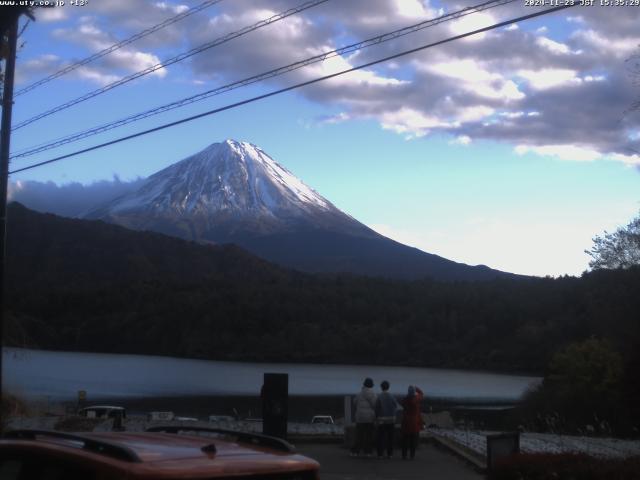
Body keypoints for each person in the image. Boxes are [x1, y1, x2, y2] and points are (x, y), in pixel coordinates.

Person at [351, 377, 377, 457]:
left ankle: (355, 452)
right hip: (369, 418)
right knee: (369, 436)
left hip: (360, 418)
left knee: (359, 436)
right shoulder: (373, 394)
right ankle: (367, 452)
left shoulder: (359, 394)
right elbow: (375, 405)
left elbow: (354, 402)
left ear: (364, 385)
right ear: (371, 385)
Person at [375, 380, 400, 459]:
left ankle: (380, 454)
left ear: (381, 387)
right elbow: (396, 406)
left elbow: (376, 408)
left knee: (381, 437)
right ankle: (390, 454)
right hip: (391, 420)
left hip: (382, 420)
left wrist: (377, 417)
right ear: (388, 387)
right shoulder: (391, 396)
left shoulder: (379, 396)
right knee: (390, 438)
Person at [401, 385, 423, 460]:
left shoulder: (404, 400)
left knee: (405, 440)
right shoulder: (416, 399)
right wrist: (416, 388)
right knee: (413, 440)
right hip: (414, 422)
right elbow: (421, 394)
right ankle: (412, 455)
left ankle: (404, 455)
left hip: (406, 422)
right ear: (414, 392)